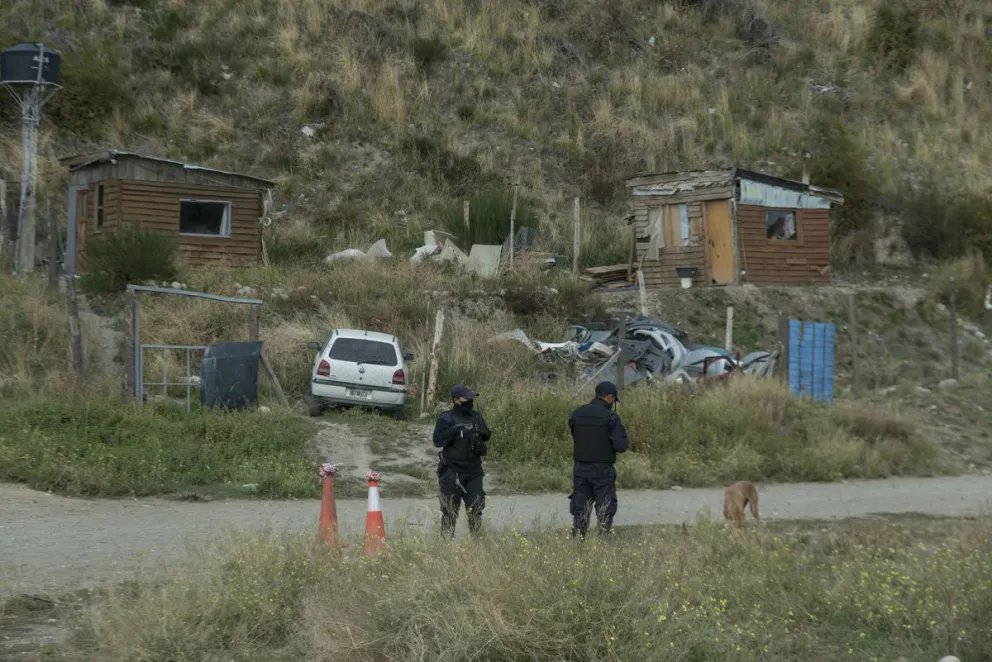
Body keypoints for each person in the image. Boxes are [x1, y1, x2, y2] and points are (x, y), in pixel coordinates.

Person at [568, 380, 629, 537]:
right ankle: (602, 541)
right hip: (602, 470)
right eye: (614, 400)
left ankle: (579, 540)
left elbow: (575, 435)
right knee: (605, 508)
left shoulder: (577, 413)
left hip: (580, 468)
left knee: (580, 508)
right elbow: (621, 446)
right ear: (609, 397)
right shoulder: (610, 417)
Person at [433, 384, 491, 537]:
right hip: (452, 472)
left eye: (471, 397)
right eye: (466, 398)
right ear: (456, 400)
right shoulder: (447, 418)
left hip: (474, 472)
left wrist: (483, 432)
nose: (470, 400)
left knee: (476, 510)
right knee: (450, 512)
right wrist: (455, 429)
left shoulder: (477, 416)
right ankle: (445, 546)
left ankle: (477, 547)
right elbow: (437, 441)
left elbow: (486, 435)